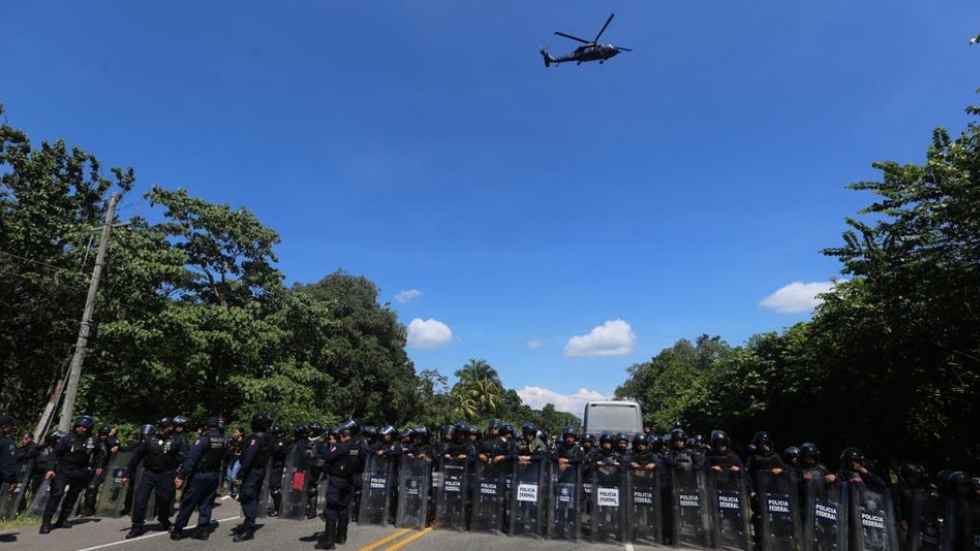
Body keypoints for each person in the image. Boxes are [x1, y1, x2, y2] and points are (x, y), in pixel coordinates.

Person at [39, 415, 104, 534]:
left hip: (81, 471)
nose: (81, 429)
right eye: (79, 426)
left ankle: (62, 519)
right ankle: (46, 522)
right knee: (57, 494)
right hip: (63, 470)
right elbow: (55, 454)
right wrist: (50, 469)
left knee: (72, 496)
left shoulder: (93, 440)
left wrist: (99, 466)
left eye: (84, 427)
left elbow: (99, 454)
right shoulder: (67, 439)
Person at [124, 417, 187, 539]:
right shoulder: (150, 439)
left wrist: (179, 474)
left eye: (164, 427)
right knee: (140, 499)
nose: (161, 430)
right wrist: (127, 473)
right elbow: (137, 457)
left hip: (166, 474)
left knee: (165, 500)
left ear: (170, 427)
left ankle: (163, 518)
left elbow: (183, 457)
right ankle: (137, 526)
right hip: (150, 473)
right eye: (160, 427)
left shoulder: (177, 440)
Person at [171, 417, 227, 540]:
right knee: (207, 503)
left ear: (206, 426)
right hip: (214, 475)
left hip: (200, 476)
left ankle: (178, 529)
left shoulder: (203, 440)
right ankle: (203, 529)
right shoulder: (223, 441)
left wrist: (181, 475)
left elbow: (191, 459)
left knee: (188, 502)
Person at [315, 419, 364, 550]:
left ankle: (329, 542)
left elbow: (328, 457)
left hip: (337, 480)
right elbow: (361, 464)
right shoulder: (357, 447)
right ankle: (342, 537)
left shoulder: (341, 446)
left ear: (342, 436)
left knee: (331, 509)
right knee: (344, 508)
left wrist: (317, 454)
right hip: (349, 480)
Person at [230, 413, 273, 542]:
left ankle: (249, 528)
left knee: (248, 497)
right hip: (259, 470)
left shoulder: (256, 439)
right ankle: (248, 523)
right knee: (251, 497)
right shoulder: (268, 437)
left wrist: (240, 473)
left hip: (252, 471)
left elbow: (249, 456)